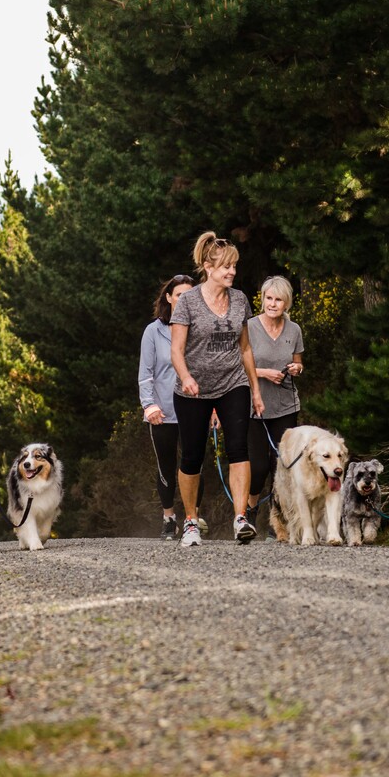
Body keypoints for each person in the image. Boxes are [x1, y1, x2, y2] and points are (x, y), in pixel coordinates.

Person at [169, 231, 264, 547]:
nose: (232, 272)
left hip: (232, 383)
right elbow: (176, 350)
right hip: (193, 390)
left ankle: (240, 519)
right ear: (208, 267)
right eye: (226, 267)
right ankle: (191, 522)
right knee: (193, 457)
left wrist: (255, 389)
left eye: (234, 266)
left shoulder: (240, 300)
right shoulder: (188, 303)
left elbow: (246, 348)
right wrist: (185, 377)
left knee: (239, 448)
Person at [139, 273, 196, 540]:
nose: (186, 300)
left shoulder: (198, 328)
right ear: (169, 298)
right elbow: (146, 372)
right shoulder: (154, 331)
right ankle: (168, 517)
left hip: (195, 406)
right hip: (163, 410)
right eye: (180, 295)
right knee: (166, 465)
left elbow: (207, 369)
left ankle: (192, 519)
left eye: (190, 295)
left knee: (192, 463)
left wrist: (215, 407)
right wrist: (149, 405)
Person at [245, 275, 305, 512]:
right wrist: (263, 373)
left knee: (281, 465)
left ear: (286, 303)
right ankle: (250, 510)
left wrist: (296, 368)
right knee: (258, 467)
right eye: (268, 298)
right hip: (255, 406)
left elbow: (298, 362)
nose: (272, 304)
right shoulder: (249, 327)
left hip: (285, 406)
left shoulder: (294, 329)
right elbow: (237, 366)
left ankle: (277, 519)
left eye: (278, 300)